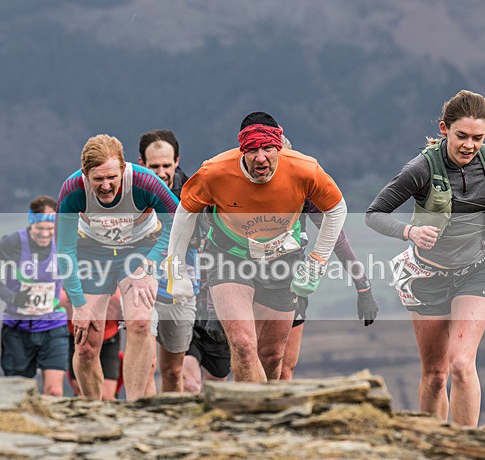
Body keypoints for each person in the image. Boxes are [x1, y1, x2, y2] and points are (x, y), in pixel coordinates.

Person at [366, 90, 485, 427]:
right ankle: (431, 447)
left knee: (462, 364)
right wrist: (409, 233)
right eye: (461, 135)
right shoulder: (420, 169)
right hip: (426, 276)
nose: (469, 145)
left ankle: (468, 450)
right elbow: (374, 214)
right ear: (444, 128)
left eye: (477, 137)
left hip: (477, 270)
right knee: (435, 374)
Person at [167, 112, 347, 383]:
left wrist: (317, 262)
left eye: (268, 149)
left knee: (272, 355)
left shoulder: (304, 169)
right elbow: (186, 212)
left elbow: (336, 209)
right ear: (242, 149)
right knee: (242, 345)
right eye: (252, 150)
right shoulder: (215, 171)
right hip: (230, 256)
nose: (260, 157)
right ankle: (248, 418)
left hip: (282, 258)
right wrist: (175, 269)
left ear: (278, 148)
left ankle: (265, 410)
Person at [56, 134, 179, 400]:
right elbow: (65, 250)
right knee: (86, 343)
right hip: (92, 252)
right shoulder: (72, 190)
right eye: (98, 179)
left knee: (139, 323)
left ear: (124, 169)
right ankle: (94, 408)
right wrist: (78, 304)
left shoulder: (145, 182)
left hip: (139, 250)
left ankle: (135, 407)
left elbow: (178, 221)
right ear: (85, 174)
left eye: (112, 177)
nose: (106, 186)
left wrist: (151, 263)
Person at [279, 134, 378, 381]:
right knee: (250, 357)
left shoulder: (302, 188)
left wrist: (363, 286)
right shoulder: (238, 187)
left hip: (291, 281)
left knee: (284, 368)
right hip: (249, 280)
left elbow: (336, 237)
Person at [0, 195, 69, 396]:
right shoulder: (13, 243)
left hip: (54, 326)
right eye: (40, 229)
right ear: (31, 223)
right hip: (18, 329)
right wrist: (11, 296)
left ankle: (51, 428)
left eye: (50, 229)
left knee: (54, 391)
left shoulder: (64, 243)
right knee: (17, 391)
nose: (45, 234)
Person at [138, 130, 199, 392]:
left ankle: (173, 425)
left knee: (173, 371)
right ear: (142, 164)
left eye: (166, 165)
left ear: (177, 161)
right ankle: (143, 424)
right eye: (154, 166)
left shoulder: (194, 192)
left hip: (179, 289)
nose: (161, 172)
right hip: (141, 285)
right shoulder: (130, 192)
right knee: (146, 364)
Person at [61, 289, 125, 400]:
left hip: (109, 338)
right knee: (81, 392)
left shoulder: (116, 297)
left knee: (107, 395)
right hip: (78, 336)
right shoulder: (66, 296)